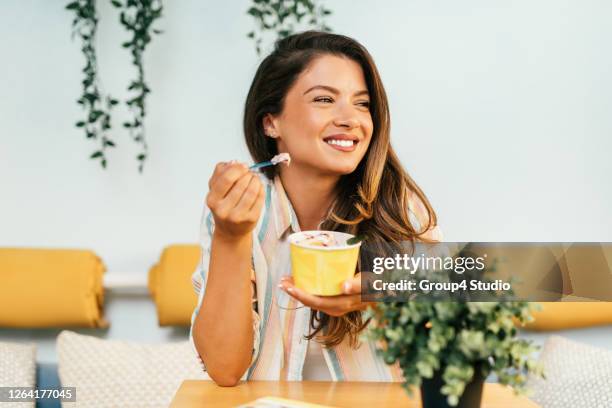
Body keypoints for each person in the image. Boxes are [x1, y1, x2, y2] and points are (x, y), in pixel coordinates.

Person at [190, 31, 442, 386]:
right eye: (324, 99)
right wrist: (231, 238)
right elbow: (224, 369)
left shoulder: (399, 209)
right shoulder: (238, 211)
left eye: (362, 103)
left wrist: (381, 296)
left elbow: (457, 321)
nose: (350, 119)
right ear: (270, 121)